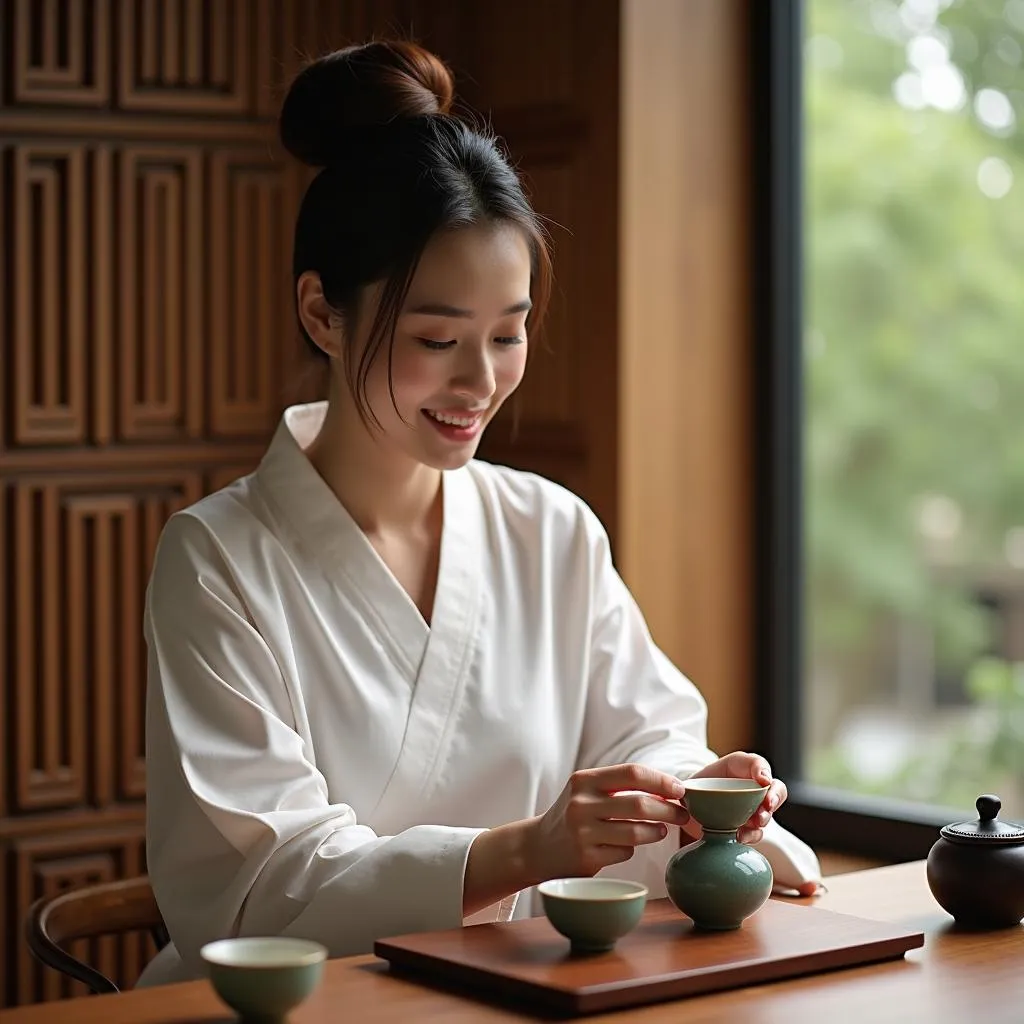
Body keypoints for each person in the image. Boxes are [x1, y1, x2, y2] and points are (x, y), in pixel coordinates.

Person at [137, 40, 821, 987]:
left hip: (522, 988)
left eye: (510, 332)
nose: (482, 381)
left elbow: (645, 736)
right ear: (322, 314)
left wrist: (693, 794)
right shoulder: (218, 558)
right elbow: (256, 883)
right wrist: (521, 851)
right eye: (436, 337)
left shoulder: (552, 530)